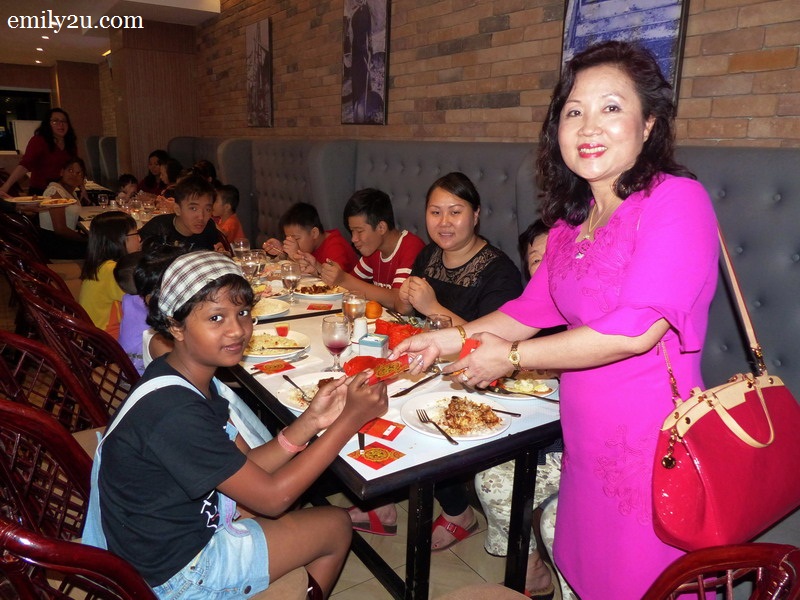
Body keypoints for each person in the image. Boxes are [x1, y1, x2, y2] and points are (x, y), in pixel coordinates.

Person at [391, 40, 719, 599]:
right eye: (573, 111)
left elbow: (637, 329)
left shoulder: (676, 200)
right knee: (584, 574)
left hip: (652, 446)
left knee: (642, 581)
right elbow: (526, 312)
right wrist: (446, 342)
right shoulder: (570, 225)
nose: (589, 126)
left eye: (611, 107)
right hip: (585, 441)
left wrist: (512, 358)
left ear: (649, 124)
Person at [82, 250, 389, 599]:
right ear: (176, 326)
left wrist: (312, 421)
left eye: (242, 313)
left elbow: (242, 467)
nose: (237, 330)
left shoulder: (182, 375)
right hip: (173, 574)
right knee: (335, 524)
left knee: (277, 508)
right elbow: (273, 498)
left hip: (157, 541)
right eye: (216, 318)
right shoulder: (175, 412)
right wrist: (349, 421)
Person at [350, 172, 523, 547]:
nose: (444, 222)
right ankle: (382, 498)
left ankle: (459, 511)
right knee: (363, 390)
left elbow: (497, 344)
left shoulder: (499, 271)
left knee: (407, 408)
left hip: (477, 377)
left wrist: (433, 307)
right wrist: (406, 301)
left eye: (455, 212)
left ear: (476, 215)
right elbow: (407, 312)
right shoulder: (428, 256)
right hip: (426, 364)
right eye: (435, 212)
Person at [473, 218, 563, 597]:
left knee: (558, 524)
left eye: (556, 256)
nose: (546, 267)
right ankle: (531, 571)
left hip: (587, 445)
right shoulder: (531, 315)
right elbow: (492, 338)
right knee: (489, 477)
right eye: (536, 259)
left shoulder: (588, 313)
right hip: (545, 429)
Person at [318, 188, 425, 308]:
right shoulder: (374, 250)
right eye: (352, 231)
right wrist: (320, 270)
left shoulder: (411, 247)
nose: (353, 239)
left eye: (359, 231)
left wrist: (343, 279)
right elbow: (350, 286)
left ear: (381, 228)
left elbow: (399, 301)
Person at [79, 211, 142, 339]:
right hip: (107, 339)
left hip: (92, 335)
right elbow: (142, 301)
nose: (140, 238)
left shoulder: (101, 265)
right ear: (119, 239)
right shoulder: (112, 271)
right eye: (136, 233)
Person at [264, 201, 358, 274]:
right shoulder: (311, 245)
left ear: (314, 233)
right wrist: (282, 250)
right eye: (287, 239)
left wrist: (296, 254)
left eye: (296, 239)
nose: (292, 242)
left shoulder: (335, 246)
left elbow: (336, 279)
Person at [139, 173, 220, 251]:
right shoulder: (157, 229)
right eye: (193, 208)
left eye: (207, 209)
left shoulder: (209, 228)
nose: (201, 217)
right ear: (177, 209)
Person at [37, 156, 89, 259]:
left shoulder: (71, 192)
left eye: (79, 173)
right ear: (62, 172)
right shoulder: (55, 191)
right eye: (70, 170)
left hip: (64, 240)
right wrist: (86, 239)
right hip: (55, 244)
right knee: (103, 249)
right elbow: (60, 229)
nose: (74, 175)